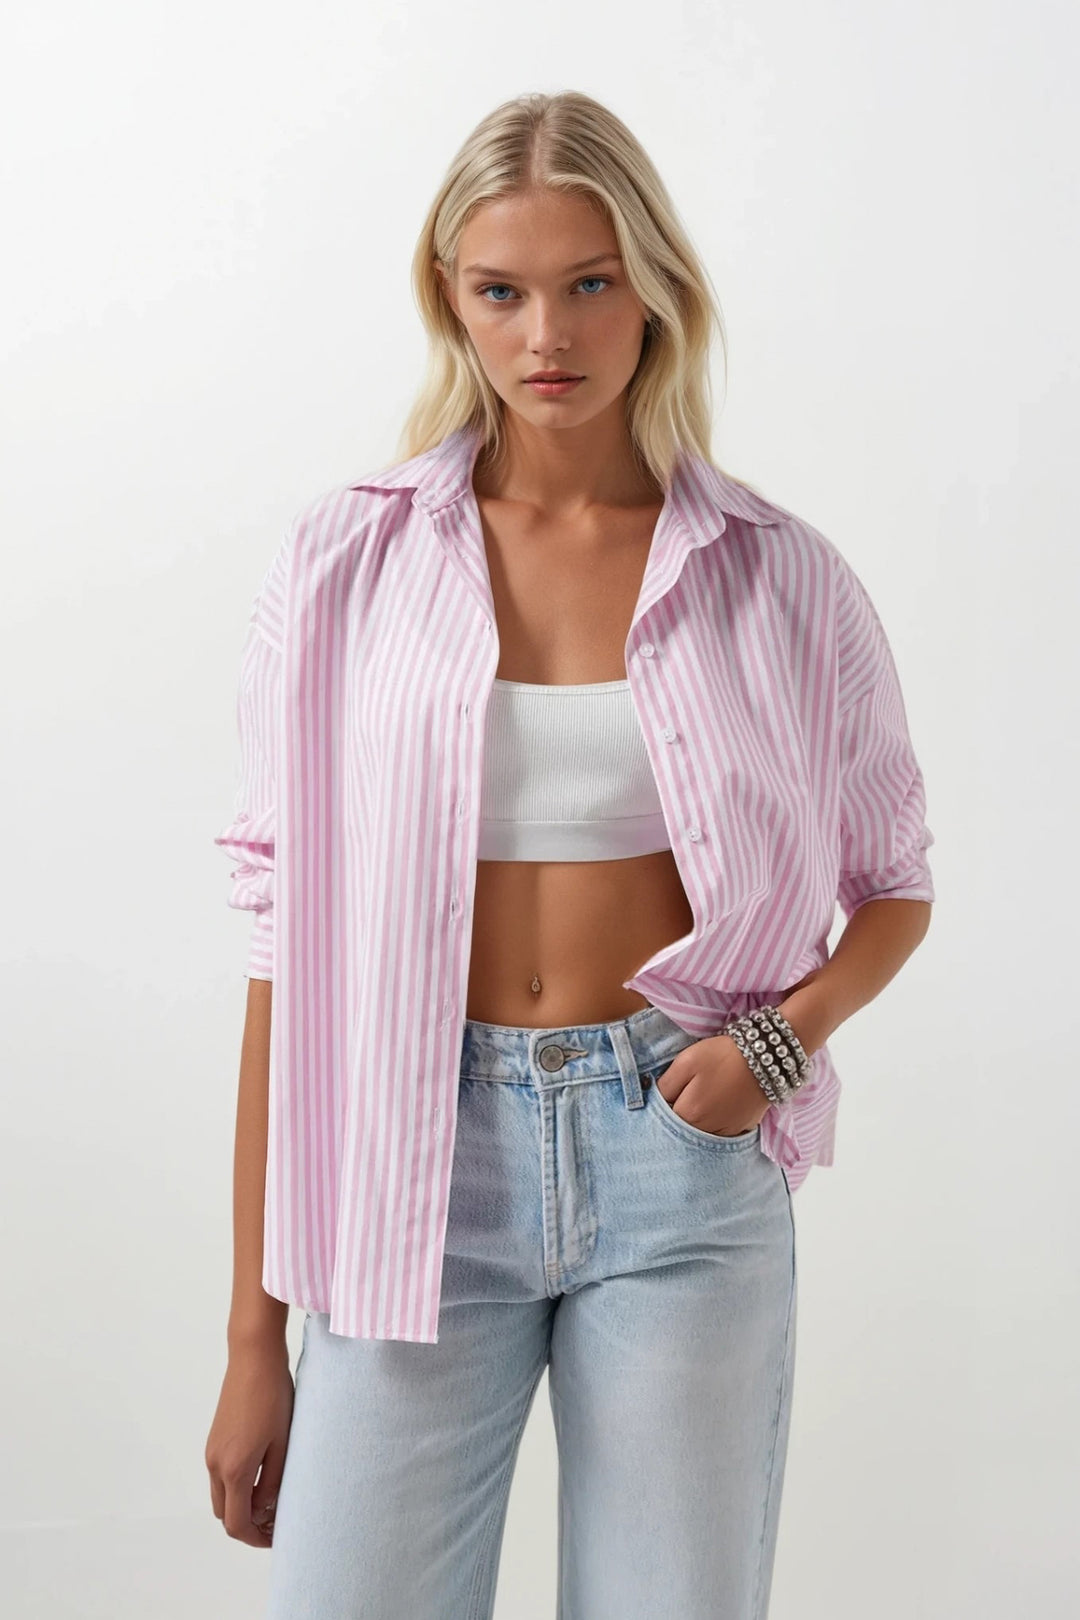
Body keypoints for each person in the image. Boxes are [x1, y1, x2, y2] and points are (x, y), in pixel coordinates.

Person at [204, 89, 935, 1620]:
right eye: (503, 290)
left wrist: (775, 1050)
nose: (548, 334)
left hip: (680, 1150)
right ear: (450, 300)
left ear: (654, 289)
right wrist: (253, 1340)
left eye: (590, 282)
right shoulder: (344, 564)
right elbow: (284, 951)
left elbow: (894, 884)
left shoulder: (778, 577)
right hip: (412, 1158)